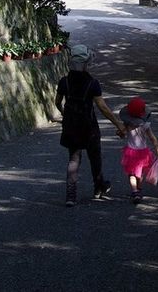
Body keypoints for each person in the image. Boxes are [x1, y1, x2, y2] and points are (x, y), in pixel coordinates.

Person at [55, 46, 126, 206]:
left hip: (71, 125)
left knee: (73, 159)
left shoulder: (64, 81)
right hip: (89, 126)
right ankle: (98, 187)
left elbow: (57, 101)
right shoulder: (92, 83)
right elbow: (102, 107)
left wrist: (64, 114)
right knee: (95, 157)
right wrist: (118, 123)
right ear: (86, 63)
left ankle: (71, 196)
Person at [119, 97, 158, 204]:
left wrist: (120, 133)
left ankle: (135, 191)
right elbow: (153, 138)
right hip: (143, 152)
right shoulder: (145, 125)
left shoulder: (127, 124)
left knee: (131, 174)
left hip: (131, 152)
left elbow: (122, 134)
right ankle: (138, 189)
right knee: (140, 173)